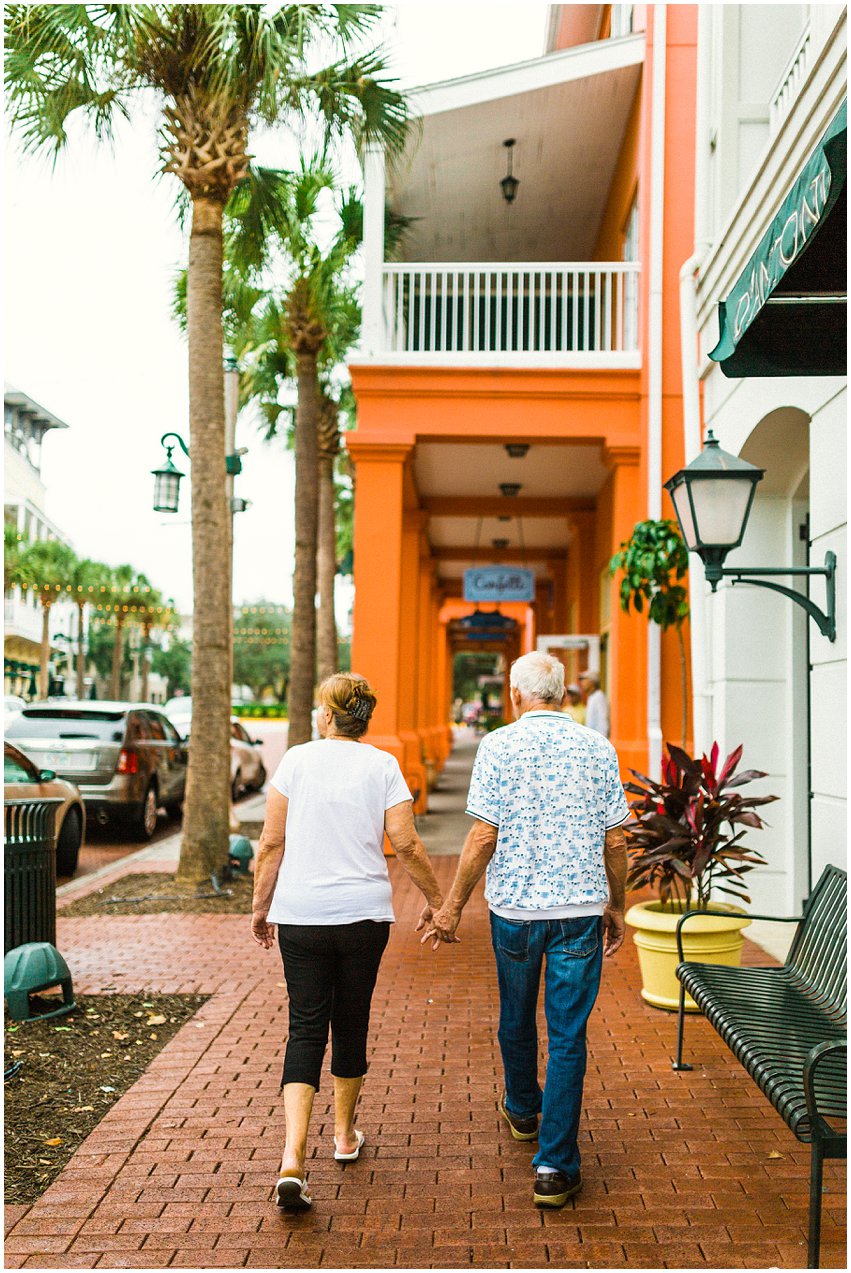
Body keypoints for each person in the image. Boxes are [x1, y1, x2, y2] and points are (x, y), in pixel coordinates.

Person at [423, 651, 629, 1210]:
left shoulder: (497, 746)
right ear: (563, 694)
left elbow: (482, 837)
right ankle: (555, 1167)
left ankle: (521, 1110)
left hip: (514, 910)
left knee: (515, 1016)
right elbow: (616, 840)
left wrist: (449, 908)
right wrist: (617, 904)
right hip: (579, 909)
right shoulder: (596, 747)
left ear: (516, 694)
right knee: (568, 1034)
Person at [251, 672, 450, 1212]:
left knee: (305, 1026)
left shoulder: (297, 760)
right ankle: (343, 1136)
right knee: (352, 1019)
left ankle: (292, 1158)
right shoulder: (382, 765)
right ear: (363, 718)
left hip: (302, 915)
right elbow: (406, 844)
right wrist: (438, 901)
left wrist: (260, 905)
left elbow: (271, 841)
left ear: (327, 714)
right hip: (363, 916)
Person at [578, 670, 610, 737]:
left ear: (592, 682)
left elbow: (603, 721)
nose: (582, 683)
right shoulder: (591, 697)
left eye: (584, 680)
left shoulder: (599, 696)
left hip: (598, 739)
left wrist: (602, 740)